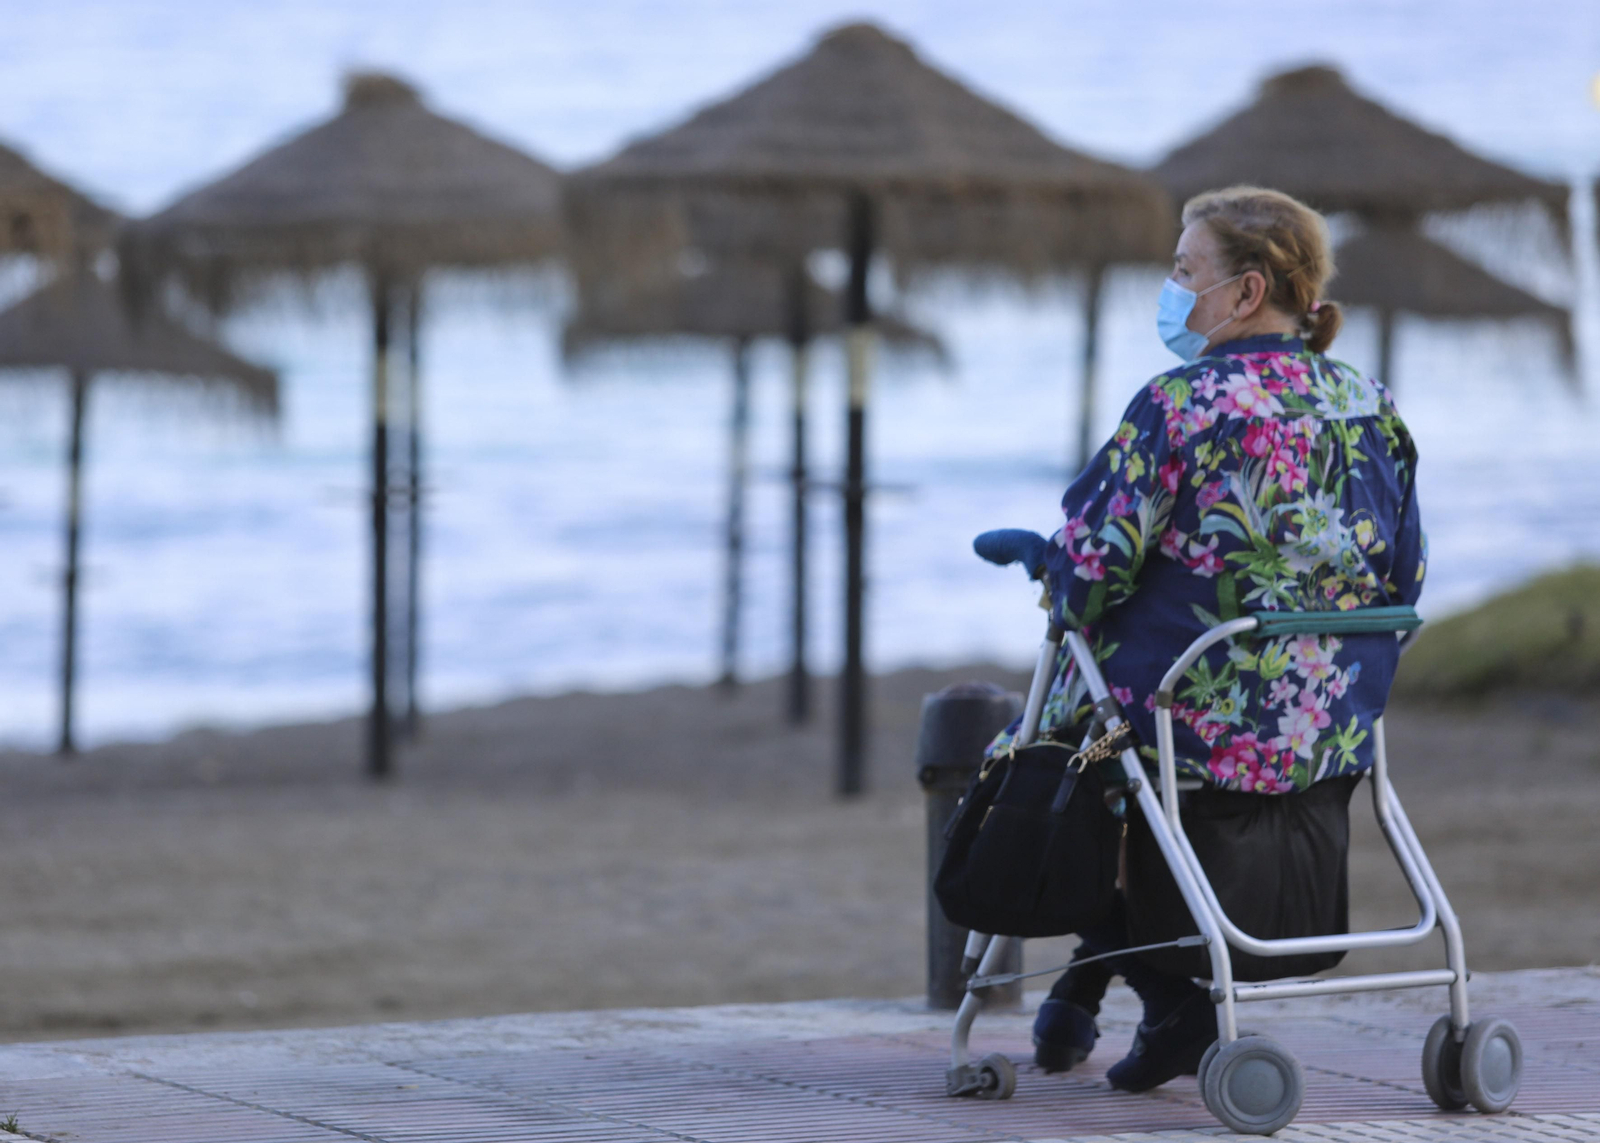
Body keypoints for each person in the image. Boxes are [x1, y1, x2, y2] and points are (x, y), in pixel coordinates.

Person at [994, 186, 1426, 1090]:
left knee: (1051, 762)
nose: (1172, 288)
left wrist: (1043, 559)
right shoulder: (1370, 402)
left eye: (1186, 270)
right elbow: (1407, 575)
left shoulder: (1181, 405)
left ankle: (1156, 997)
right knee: (1107, 758)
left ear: (1247, 290)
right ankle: (1091, 989)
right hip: (1326, 730)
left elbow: (1090, 577)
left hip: (1180, 729)